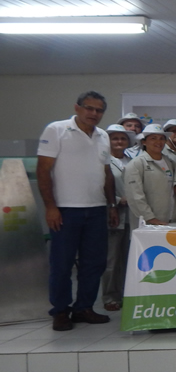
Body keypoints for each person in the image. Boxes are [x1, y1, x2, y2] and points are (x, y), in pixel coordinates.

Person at [37, 92, 118, 331]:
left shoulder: (103, 136)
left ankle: (84, 307)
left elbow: (107, 174)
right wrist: (50, 207)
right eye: (89, 108)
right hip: (65, 209)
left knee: (94, 263)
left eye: (99, 110)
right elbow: (43, 170)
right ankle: (61, 311)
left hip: (96, 209)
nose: (94, 113)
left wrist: (111, 205)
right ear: (77, 107)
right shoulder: (57, 130)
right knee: (62, 264)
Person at [101, 124, 135, 312]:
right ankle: (110, 297)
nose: (119, 142)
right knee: (112, 260)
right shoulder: (102, 161)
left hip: (132, 216)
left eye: (123, 138)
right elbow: (98, 185)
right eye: (115, 138)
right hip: (114, 214)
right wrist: (116, 200)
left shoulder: (133, 160)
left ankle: (127, 294)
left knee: (129, 259)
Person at [126, 124, 176, 226]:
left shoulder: (170, 162)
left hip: (171, 220)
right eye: (153, 138)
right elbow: (135, 196)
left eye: (161, 138)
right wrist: (150, 218)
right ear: (144, 142)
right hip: (148, 223)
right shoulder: (136, 164)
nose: (158, 142)